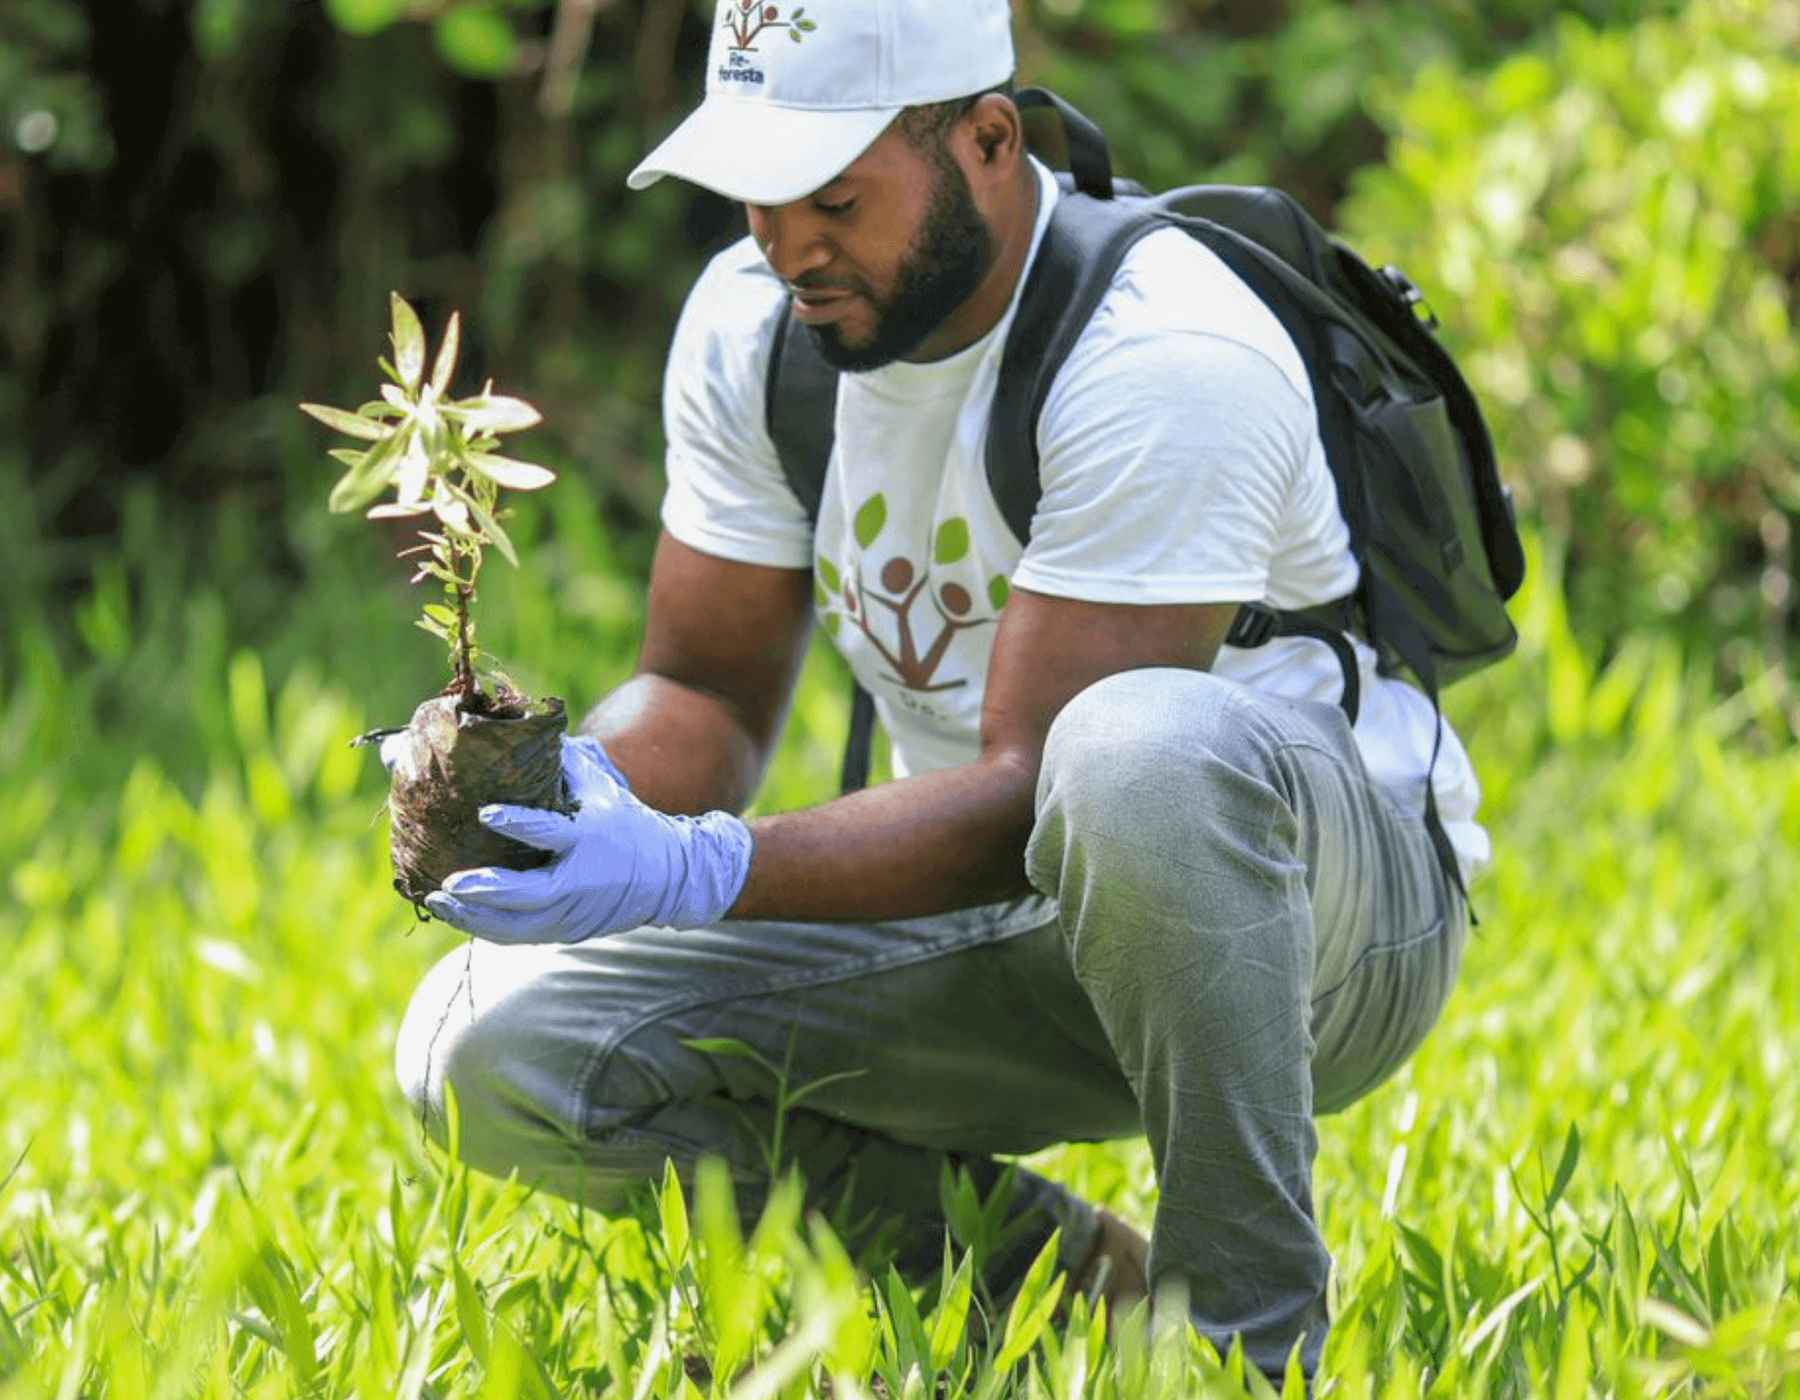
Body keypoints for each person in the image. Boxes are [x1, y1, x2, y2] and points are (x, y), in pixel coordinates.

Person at [394, 0, 1485, 1379]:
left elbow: (1042, 790)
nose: (787, 244)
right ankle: (1064, 1284)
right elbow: (705, 691)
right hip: (1014, 921)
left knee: (1134, 754)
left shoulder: (1162, 351)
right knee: (483, 1046)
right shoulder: (756, 326)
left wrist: (693, 868)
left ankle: (1236, 1350)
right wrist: (555, 803)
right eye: (755, 195)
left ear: (986, 137)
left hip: (1322, 931)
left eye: (833, 195)